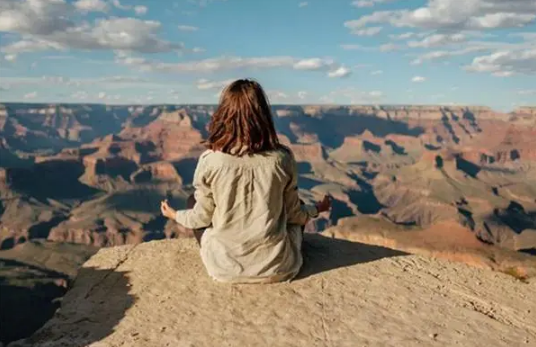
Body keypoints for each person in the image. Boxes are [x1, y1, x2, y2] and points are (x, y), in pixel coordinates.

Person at [161, 78, 331, 284]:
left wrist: (174, 215)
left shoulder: (210, 159)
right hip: (278, 268)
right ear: (263, 115)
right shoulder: (282, 158)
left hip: (224, 269)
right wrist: (317, 209)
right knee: (298, 205)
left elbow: (201, 219)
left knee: (192, 201)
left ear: (224, 115)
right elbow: (295, 215)